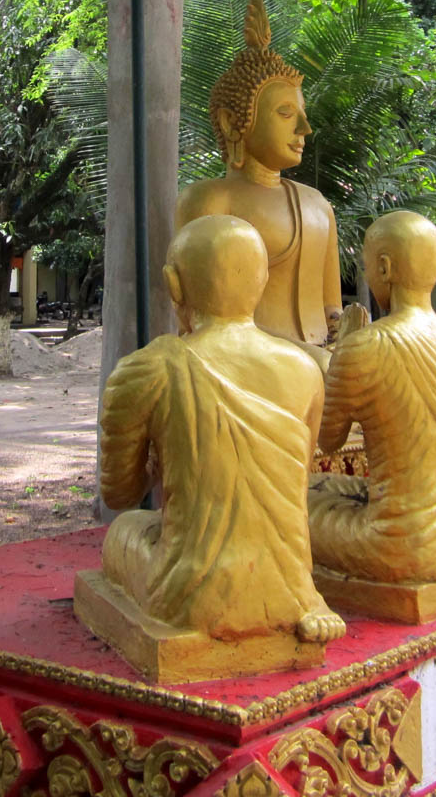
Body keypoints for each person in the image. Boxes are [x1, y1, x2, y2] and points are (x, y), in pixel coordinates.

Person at [87, 215, 344, 657]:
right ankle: (303, 598)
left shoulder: (148, 368)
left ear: (174, 285)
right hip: (287, 581)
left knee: (126, 530)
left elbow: (120, 494)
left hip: (188, 590)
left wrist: (159, 459)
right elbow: (293, 489)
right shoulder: (306, 370)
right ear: (262, 282)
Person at [309, 211, 436, 602]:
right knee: (335, 486)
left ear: (384, 268)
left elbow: (329, 440)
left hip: (400, 544)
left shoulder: (363, 346)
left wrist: (338, 361)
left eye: (367, 266)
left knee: (295, 506)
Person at [175, 0, 340, 362]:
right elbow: (200, 318)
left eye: (302, 115)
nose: (304, 129)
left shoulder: (317, 205)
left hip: (323, 362)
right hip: (243, 364)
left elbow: (331, 307)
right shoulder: (210, 201)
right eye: (285, 113)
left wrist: (343, 335)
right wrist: (303, 359)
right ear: (231, 122)